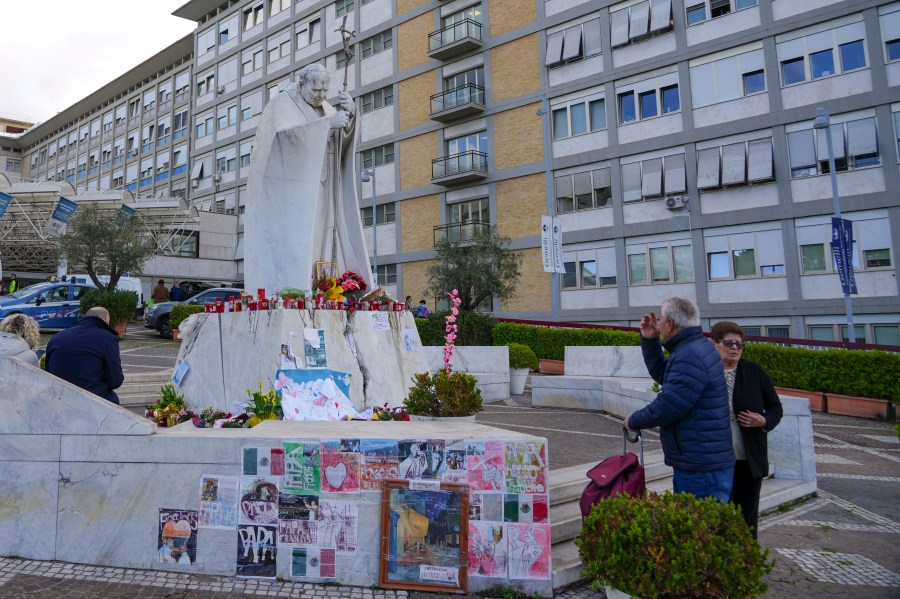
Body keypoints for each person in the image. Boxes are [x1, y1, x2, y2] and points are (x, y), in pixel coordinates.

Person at [244, 62, 372, 296]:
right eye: (316, 91)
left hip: (324, 187)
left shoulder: (327, 109)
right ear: (302, 84)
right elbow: (280, 141)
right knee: (302, 244)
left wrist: (350, 116)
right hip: (293, 195)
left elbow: (340, 144)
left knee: (324, 241)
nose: (321, 96)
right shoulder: (280, 105)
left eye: (325, 91)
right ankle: (297, 290)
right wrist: (325, 126)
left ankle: (325, 288)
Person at [624, 297, 734, 501]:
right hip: (700, 458)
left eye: (661, 319)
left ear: (670, 324)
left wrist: (634, 420)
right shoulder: (693, 347)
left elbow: (669, 404)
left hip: (701, 463)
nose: (658, 324)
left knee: (700, 528)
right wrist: (650, 341)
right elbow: (666, 376)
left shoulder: (689, 355)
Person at [711, 321, 783, 539]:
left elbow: (775, 408)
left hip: (749, 459)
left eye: (739, 344)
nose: (734, 348)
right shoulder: (706, 373)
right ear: (714, 344)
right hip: (716, 459)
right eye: (728, 343)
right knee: (717, 518)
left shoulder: (754, 372)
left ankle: (745, 564)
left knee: (747, 519)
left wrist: (763, 421)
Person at [45, 306, 124, 405]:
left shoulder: (57, 337)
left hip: (58, 396)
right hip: (91, 399)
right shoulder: (108, 339)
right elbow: (115, 381)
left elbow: (47, 371)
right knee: (113, 400)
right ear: (105, 320)